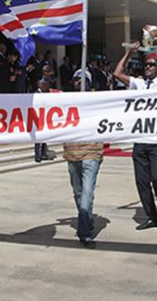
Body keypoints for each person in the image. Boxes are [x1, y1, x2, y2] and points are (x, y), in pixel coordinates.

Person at [114, 41, 157, 234]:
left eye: (152, 64)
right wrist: (128, 53)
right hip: (141, 139)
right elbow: (118, 74)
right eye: (146, 64)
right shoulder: (139, 83)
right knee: (142, 182)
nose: (148, 67)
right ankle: (151, 216)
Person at [63, 69, 103, 249]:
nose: (79, 82)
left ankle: (85, 233)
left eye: (83, 80)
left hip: (91, 153)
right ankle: (86, 219)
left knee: (87, 193)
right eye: (76, 79)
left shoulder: (97, 102)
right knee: (78, 193)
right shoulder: (65, 101)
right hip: (72, 153)